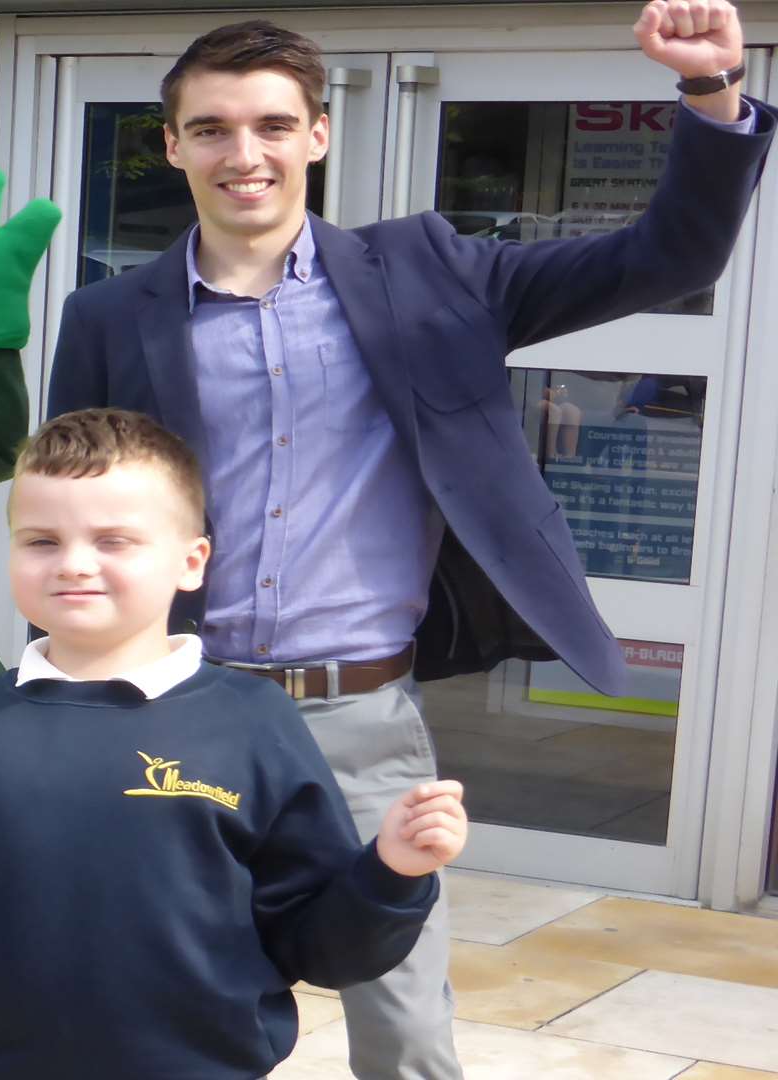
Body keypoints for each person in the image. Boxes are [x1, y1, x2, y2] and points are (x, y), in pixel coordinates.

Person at [44, 5, 772, 1076]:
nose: (244, 155)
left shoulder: (433, 274)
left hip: (363, 719)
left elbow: (667, 258)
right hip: (181, 712)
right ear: (172, 144)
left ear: (318, 135)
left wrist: (710, 94)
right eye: (211, 129)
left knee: (406, 1025)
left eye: (272, 126)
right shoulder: (111, 316)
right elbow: (77, 524)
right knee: (164, 1003)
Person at [0, 408, 469, 1080]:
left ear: (192, 562)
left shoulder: (253, 724)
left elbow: (317, 946)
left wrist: (391, 871)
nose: (73, 564)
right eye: (40, 540)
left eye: (114, 540)